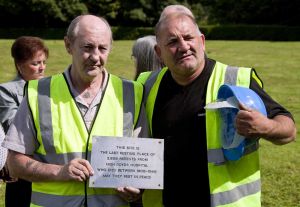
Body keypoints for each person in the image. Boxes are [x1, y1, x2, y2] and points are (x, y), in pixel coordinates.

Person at [140, 11, 297, 207]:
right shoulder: (146, 85)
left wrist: (265, 126)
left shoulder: (237, 79)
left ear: (202, 41)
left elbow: (289, 130)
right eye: (172, 42)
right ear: (158, 53)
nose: (183, 46)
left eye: (189, 37)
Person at [2, 15, 147, 207]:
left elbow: (145, 161)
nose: (95, 57)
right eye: (87, 47)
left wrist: (138, 188)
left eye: (102, 48)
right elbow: (14, 163)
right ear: (68, 45)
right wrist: (59, 172)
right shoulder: (38, 93)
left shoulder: (132, 93)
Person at [0, 36, 49, 207]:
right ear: (20, 66)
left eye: (43, 61)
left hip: (51, 165)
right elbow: (14, 127)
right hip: (23, 168)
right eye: (35, 63)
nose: (41, 67)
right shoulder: (7, 91)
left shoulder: (52, 87)